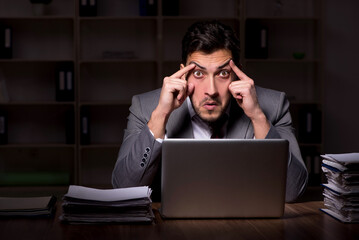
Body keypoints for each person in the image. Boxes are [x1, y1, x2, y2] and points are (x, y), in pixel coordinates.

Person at [112, 20, 308, 202]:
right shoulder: (146, 108)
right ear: (183, 74)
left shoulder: (273, 106)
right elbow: (124, 189)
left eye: (223, 73)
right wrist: (160, 116)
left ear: (237, 75)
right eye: (198, 73)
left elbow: (292, 191)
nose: (211, 90)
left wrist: (257, 117)